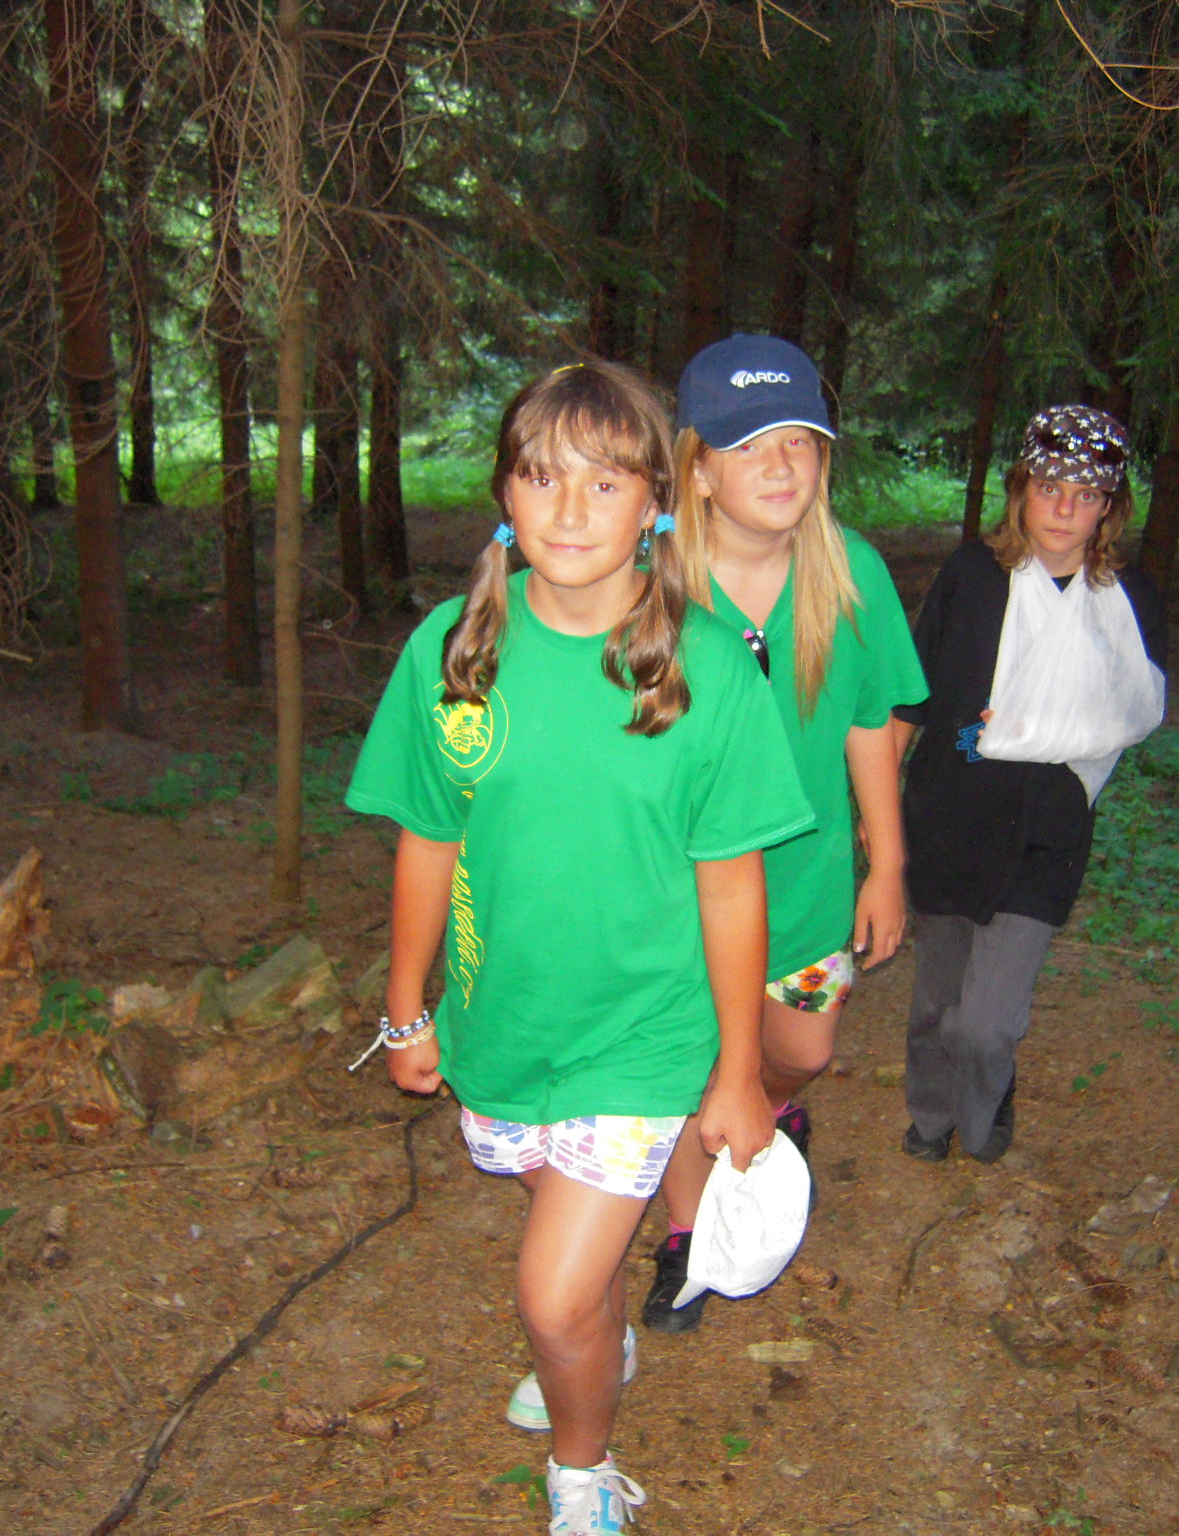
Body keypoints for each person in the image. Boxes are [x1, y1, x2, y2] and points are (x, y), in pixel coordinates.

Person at [344, 361, 812, 1535]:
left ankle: (582, 1468)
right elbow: (426, 840)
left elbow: (731, 885)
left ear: (655, 499)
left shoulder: (705, 668)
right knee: (570, 1260)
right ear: (504, 494)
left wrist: (737, 1071)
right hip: (504, 1025)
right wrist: (405, 1009)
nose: (566, 511)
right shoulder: (453, 651)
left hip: (644, 1036)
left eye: (602, 484)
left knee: (550, 1297)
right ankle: (597, 1346)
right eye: (540, 477)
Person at [642, 335, 928, 1334]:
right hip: (680, 895)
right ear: (697, 469)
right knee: (688, 1070)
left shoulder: (850, 572)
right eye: (746, 444)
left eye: (797, 441)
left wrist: (886, 863)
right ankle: (690, 1233)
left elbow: (872, 720)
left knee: (801, 1049)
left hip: (806, 884)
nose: (778, 465)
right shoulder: (651, 584)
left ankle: (762, 1100)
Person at [888, 404, 1167, 1165]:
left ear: (1109, 507)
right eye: (1050, 488)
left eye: (1085, 494)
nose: (1064, 508)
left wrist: (1038, 723)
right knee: (937, 1004)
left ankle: (985, 1110)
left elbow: (1132, 712)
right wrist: (879, 815)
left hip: (1048, 828)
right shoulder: (973, 577)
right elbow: (911, 698)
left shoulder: (1129, 601)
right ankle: (931, 1117)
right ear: (1022, 491)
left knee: (985, 1023)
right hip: (948, 813)